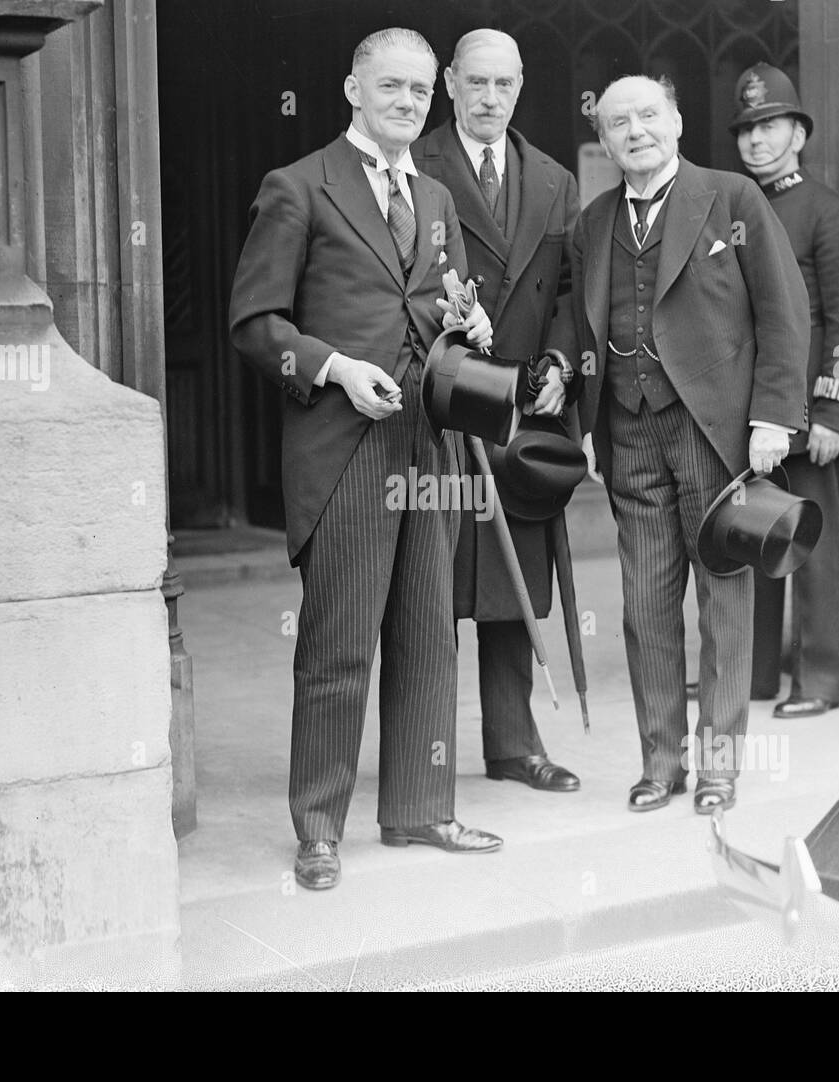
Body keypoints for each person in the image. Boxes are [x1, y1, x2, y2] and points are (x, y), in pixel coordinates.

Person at [229, 28, 501, 891]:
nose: (409, 103)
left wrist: (469, 328)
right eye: (392, 87)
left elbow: (439, 307)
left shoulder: (437, 198)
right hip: (344, 444)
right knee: (339, 645)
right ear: (353, 88)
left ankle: (420, 808)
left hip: (428, 439)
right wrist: (333, 367)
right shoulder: (299, 187)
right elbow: (253, 323)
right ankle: (319, 827)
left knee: (429, 635)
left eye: (422, 92)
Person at [571, 75, 810, 814]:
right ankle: (661, 761)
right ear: (604, 142)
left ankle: (719, 765)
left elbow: (783, 308)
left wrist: (773, 417)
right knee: (644, 605)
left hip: (714, 432)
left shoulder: (732, 199)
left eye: (648, 115)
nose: (635, 131)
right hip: (628, 431)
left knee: (724, 601)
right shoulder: (594, 221)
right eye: (619, 123)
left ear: (675, 120)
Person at [414, 28, 581, 793]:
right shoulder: (416, 161)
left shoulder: (552, 177)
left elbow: (573, 293)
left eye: (503, 85)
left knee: (517, 585)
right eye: (475, 83)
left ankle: (514, 746)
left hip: (521, 411)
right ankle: (426, 759)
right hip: (445, 406)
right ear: (449, 82)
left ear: (520, 87)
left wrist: (558, 364)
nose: (488, 99)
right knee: (435, 586)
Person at [731, 63, 839, 719]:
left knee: (811, 547)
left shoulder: (828, 213)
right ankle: (756, 676)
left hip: (813, 414)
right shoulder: (735, 211)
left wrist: (835, 410)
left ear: (799, 133)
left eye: (769, 126)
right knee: (754, 540)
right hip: (751, 413)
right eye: (747, 130)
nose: (757, 141)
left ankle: (821, 680)